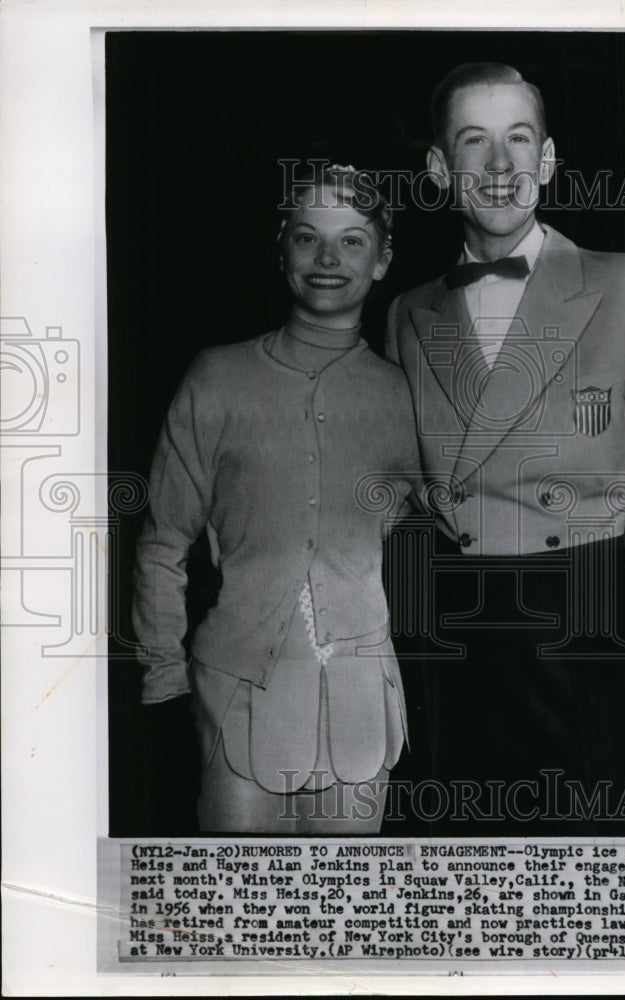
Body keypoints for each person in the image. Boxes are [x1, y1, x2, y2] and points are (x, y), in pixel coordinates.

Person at [386, 62, 625, 832]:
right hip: (450, 639)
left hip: (584, 619)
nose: (498, 166)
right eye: (472, 142)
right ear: (438, 168)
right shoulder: (405, 315)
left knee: (581, 873)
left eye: (518, 140)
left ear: (546, 160)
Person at [133, 165, 419, 834]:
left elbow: (468, 505)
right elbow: (162, 542)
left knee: (341, 919)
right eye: (306, 238)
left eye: (351, 241)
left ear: (382, 261)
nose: (327, 260)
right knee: (239, 911)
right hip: (235, 691)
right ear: (281, 252)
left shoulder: (405, 394)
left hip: (361, 703)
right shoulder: (217, 375)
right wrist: (165, 675)